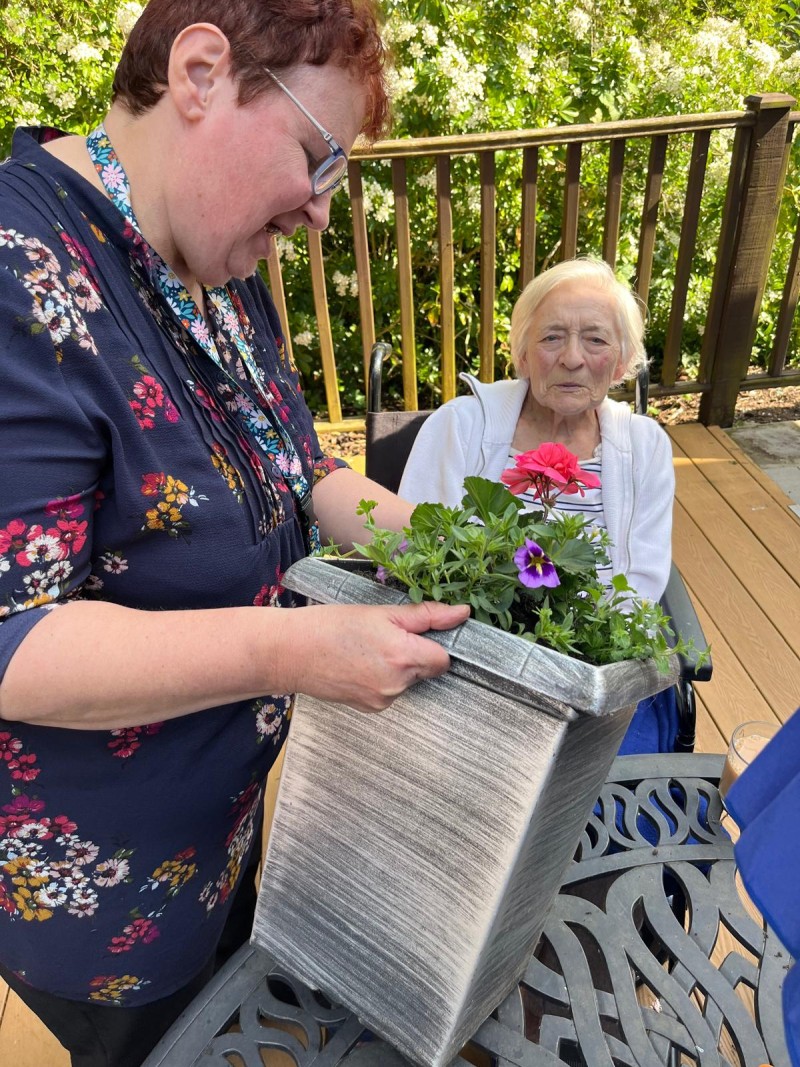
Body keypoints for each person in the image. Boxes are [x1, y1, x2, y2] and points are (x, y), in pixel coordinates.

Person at [0, 2, 469, 1064]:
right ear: (201, 72)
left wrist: (452, 546)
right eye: (314, 155)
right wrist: (300, 649)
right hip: (98, 888)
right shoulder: (17, 272)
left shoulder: (212, 259)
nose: (315, 208)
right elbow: (10, 638)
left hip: (230, 813)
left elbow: (301, 468)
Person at [399, 256, 678, 751]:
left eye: (595, 339)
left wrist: (570, 668)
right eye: (551, 337)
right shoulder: (461, 425)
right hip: (470, 666)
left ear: (620, 361)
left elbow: (641, 580)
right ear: (523, 354)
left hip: (594, 667)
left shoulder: (646, 446)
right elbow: (419, 552)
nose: (572, 357)